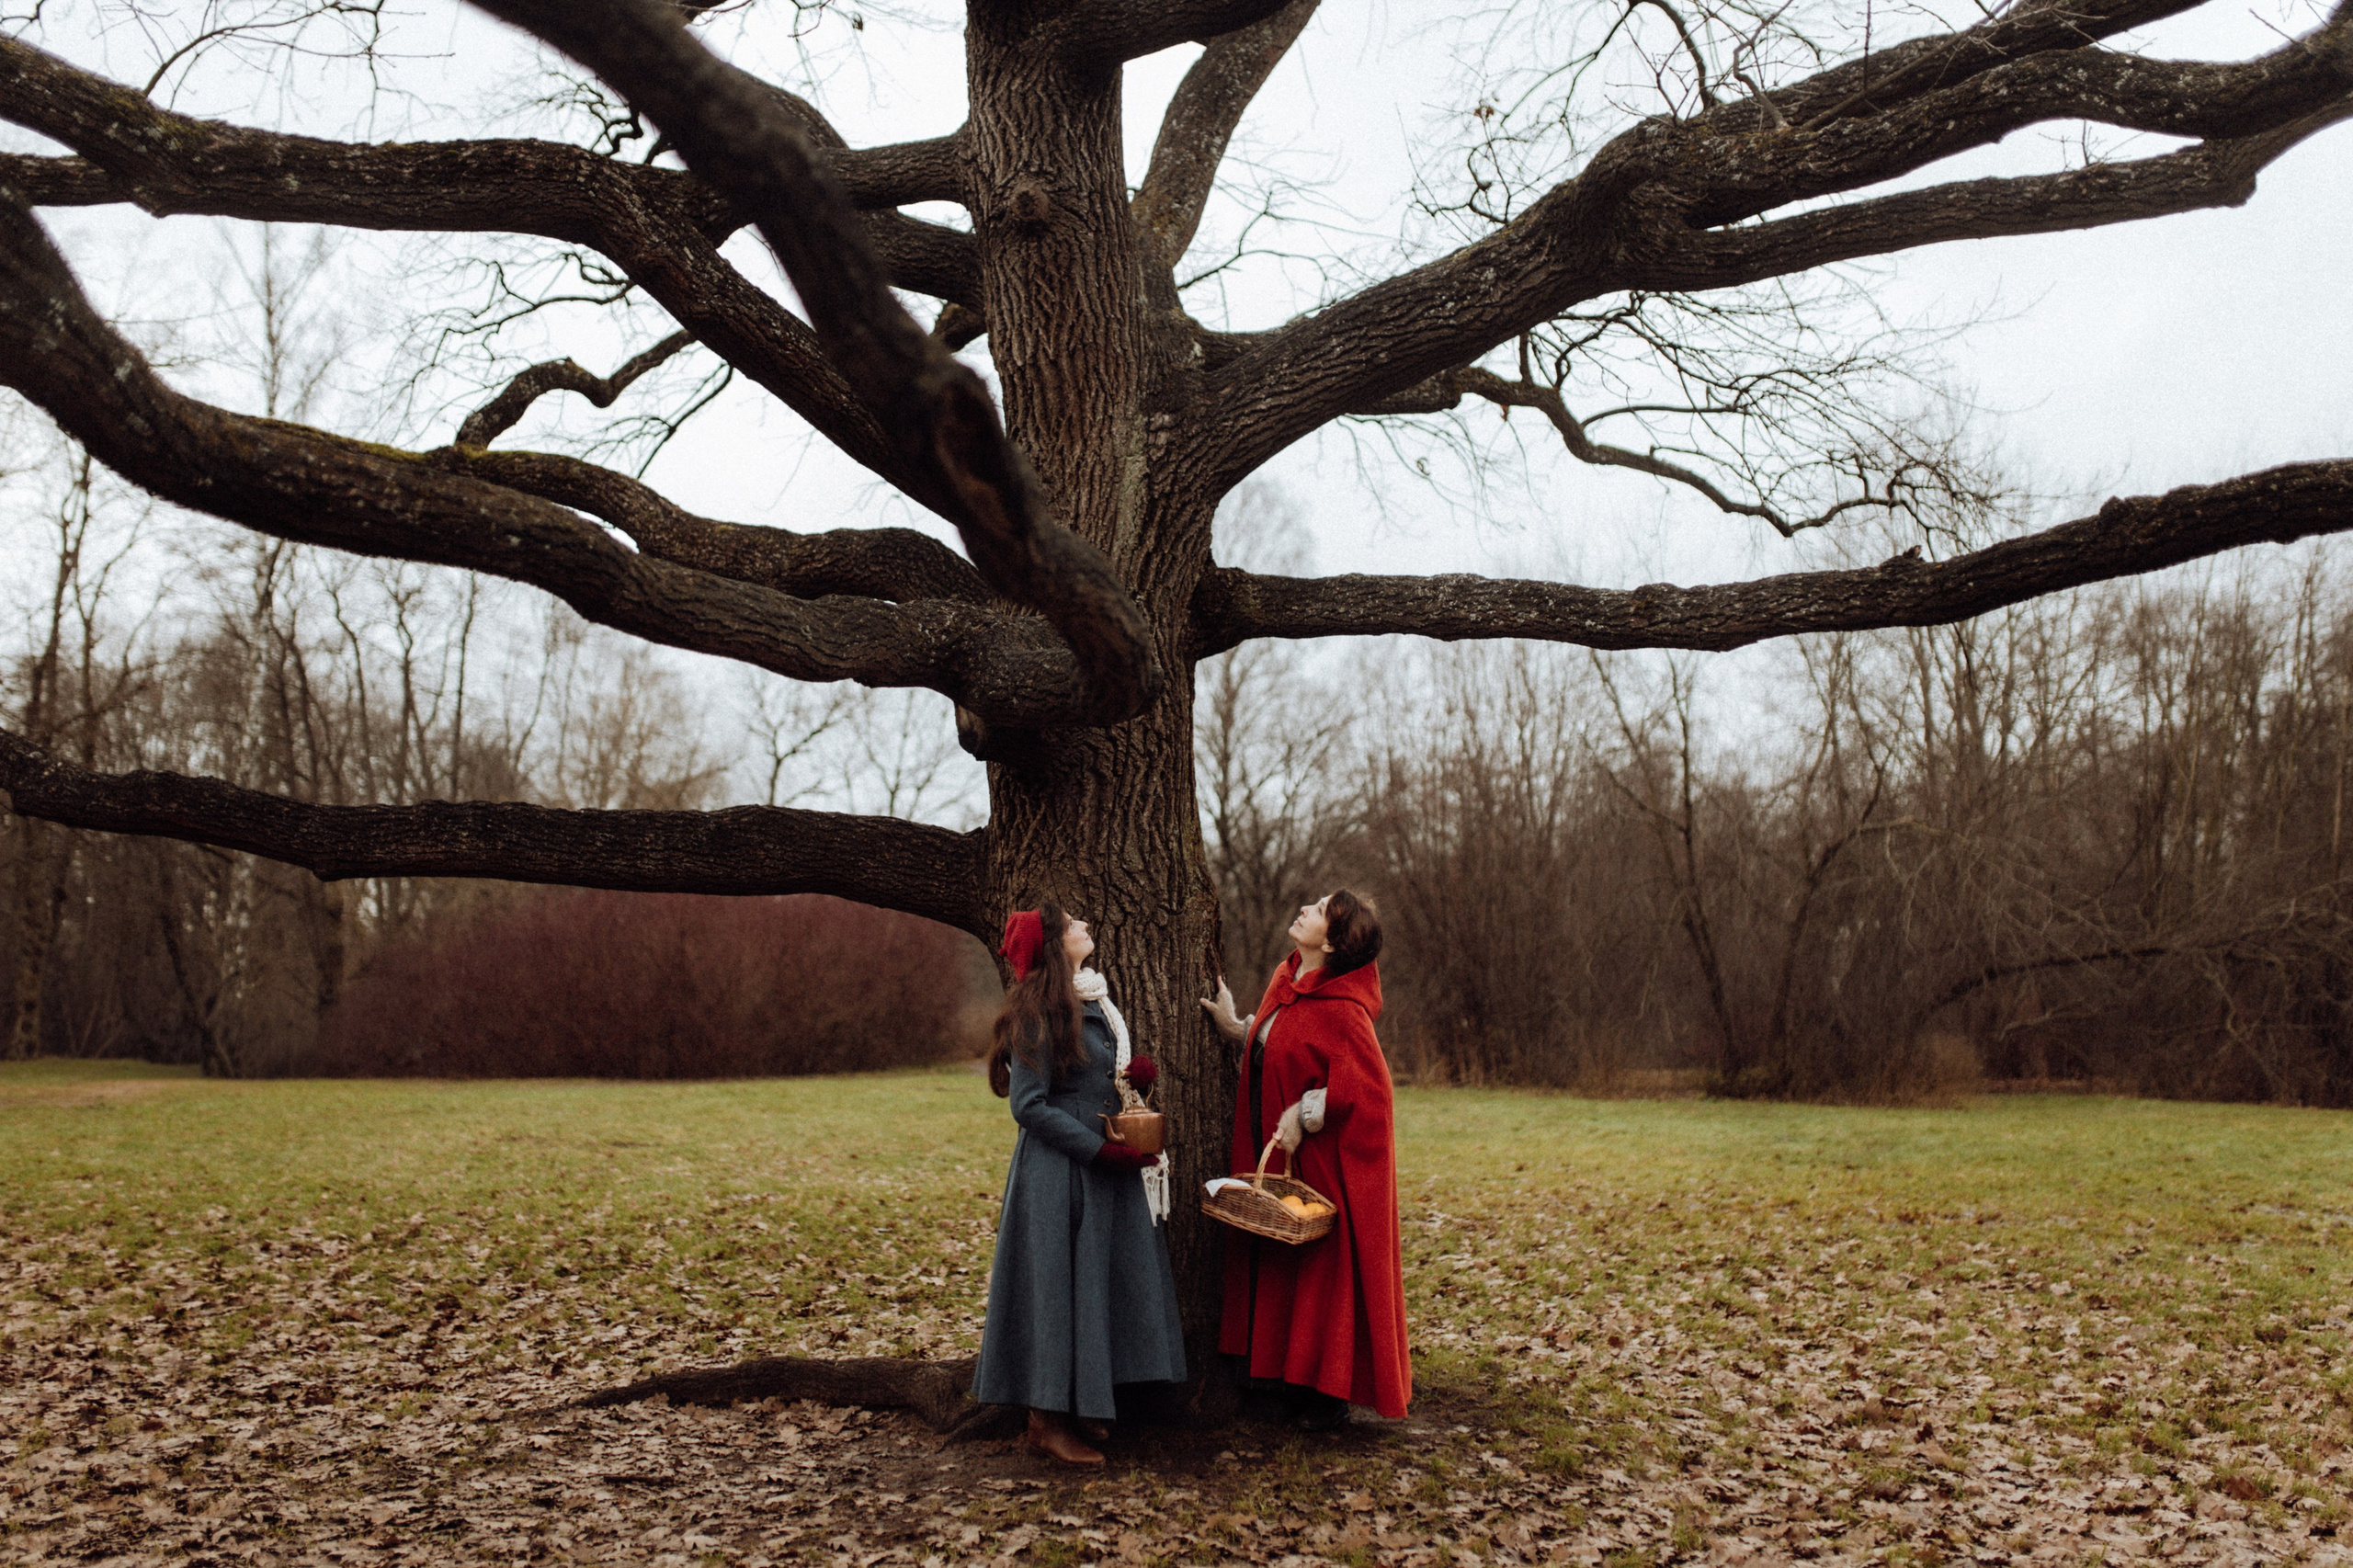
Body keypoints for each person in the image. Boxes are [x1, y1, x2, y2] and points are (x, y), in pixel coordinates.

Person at [972, 903, 1187, 1465]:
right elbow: (1028, 1106)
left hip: (1100, 1170)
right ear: (1051, 946)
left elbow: (1088, 1076)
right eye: (1072, 926)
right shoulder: (1038, 1013)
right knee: (1055, 1292)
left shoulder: (1092, 1001)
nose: (1086, 927)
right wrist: (1097, 1149)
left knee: (1091, 1285)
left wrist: (1128, 1082)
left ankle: (1088, 1401)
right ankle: (1045, 1420)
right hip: (1058, 1173)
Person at [1201, 890, 1410, 1429]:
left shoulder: (1344, 1011)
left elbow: (1372, 1091)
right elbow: (1284, 1044)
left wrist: (1305, 1112)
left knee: (1322, 1277)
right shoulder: (1287, 982)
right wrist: (1238, 1030)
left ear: (1335, 941)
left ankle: (1325, 1396)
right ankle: (1277, 1377)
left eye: (1319, 912)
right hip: (1278, 1161)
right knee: (1281, 1268)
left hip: (1321, 1168)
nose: (1304, 911)